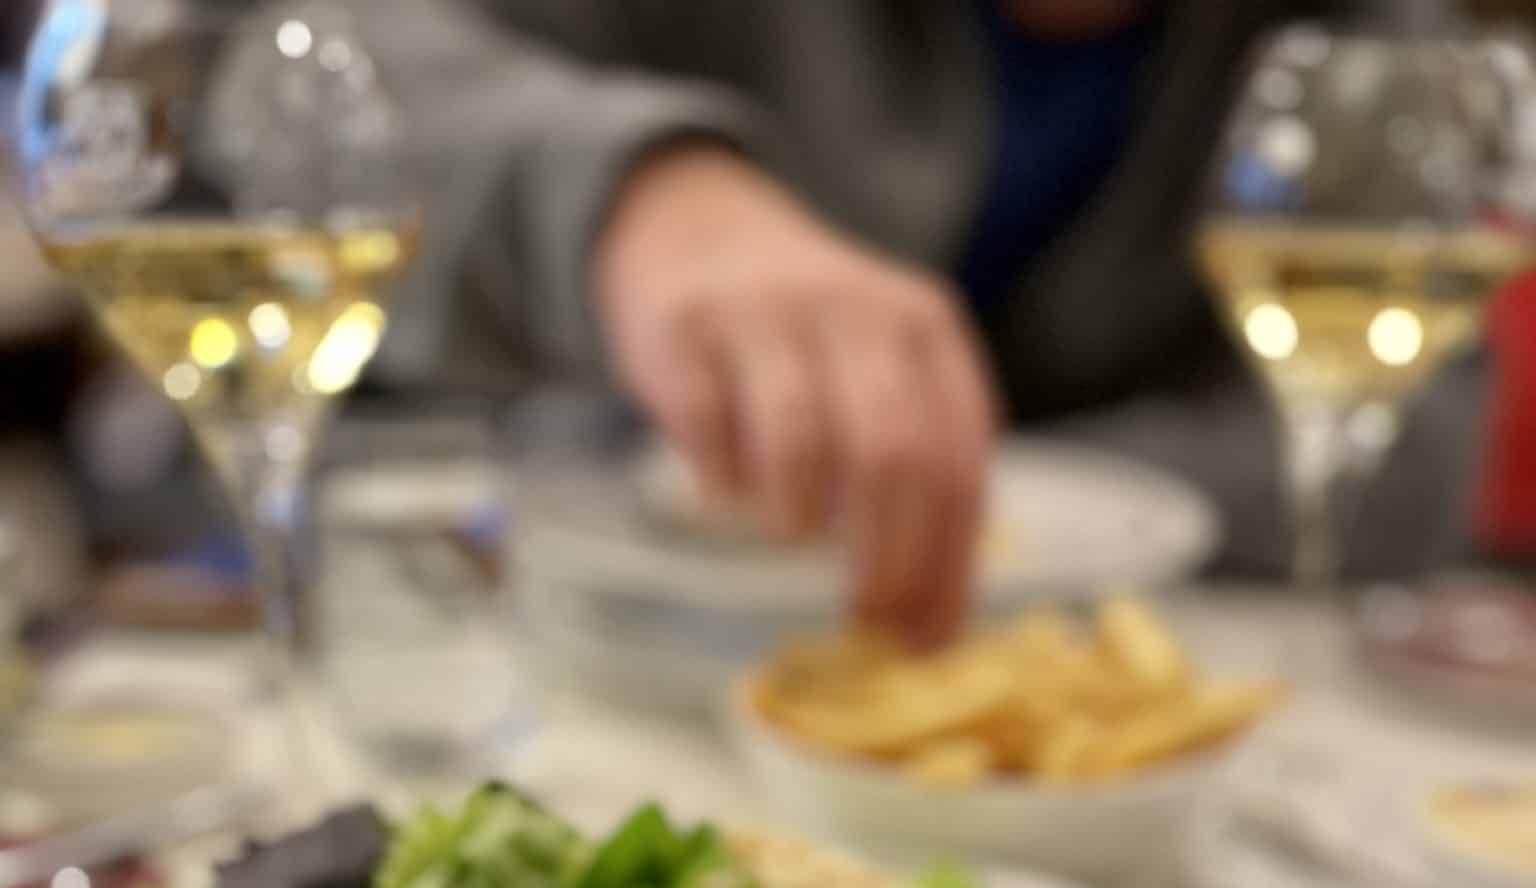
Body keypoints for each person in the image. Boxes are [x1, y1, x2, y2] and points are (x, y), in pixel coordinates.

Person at [255, 2, 1482, 637]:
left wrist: (990, 490)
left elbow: (1419, 460)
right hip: (624, 657)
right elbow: (272, 65)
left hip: (1113, 727)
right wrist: (636, 194)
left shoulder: (1370, 37)